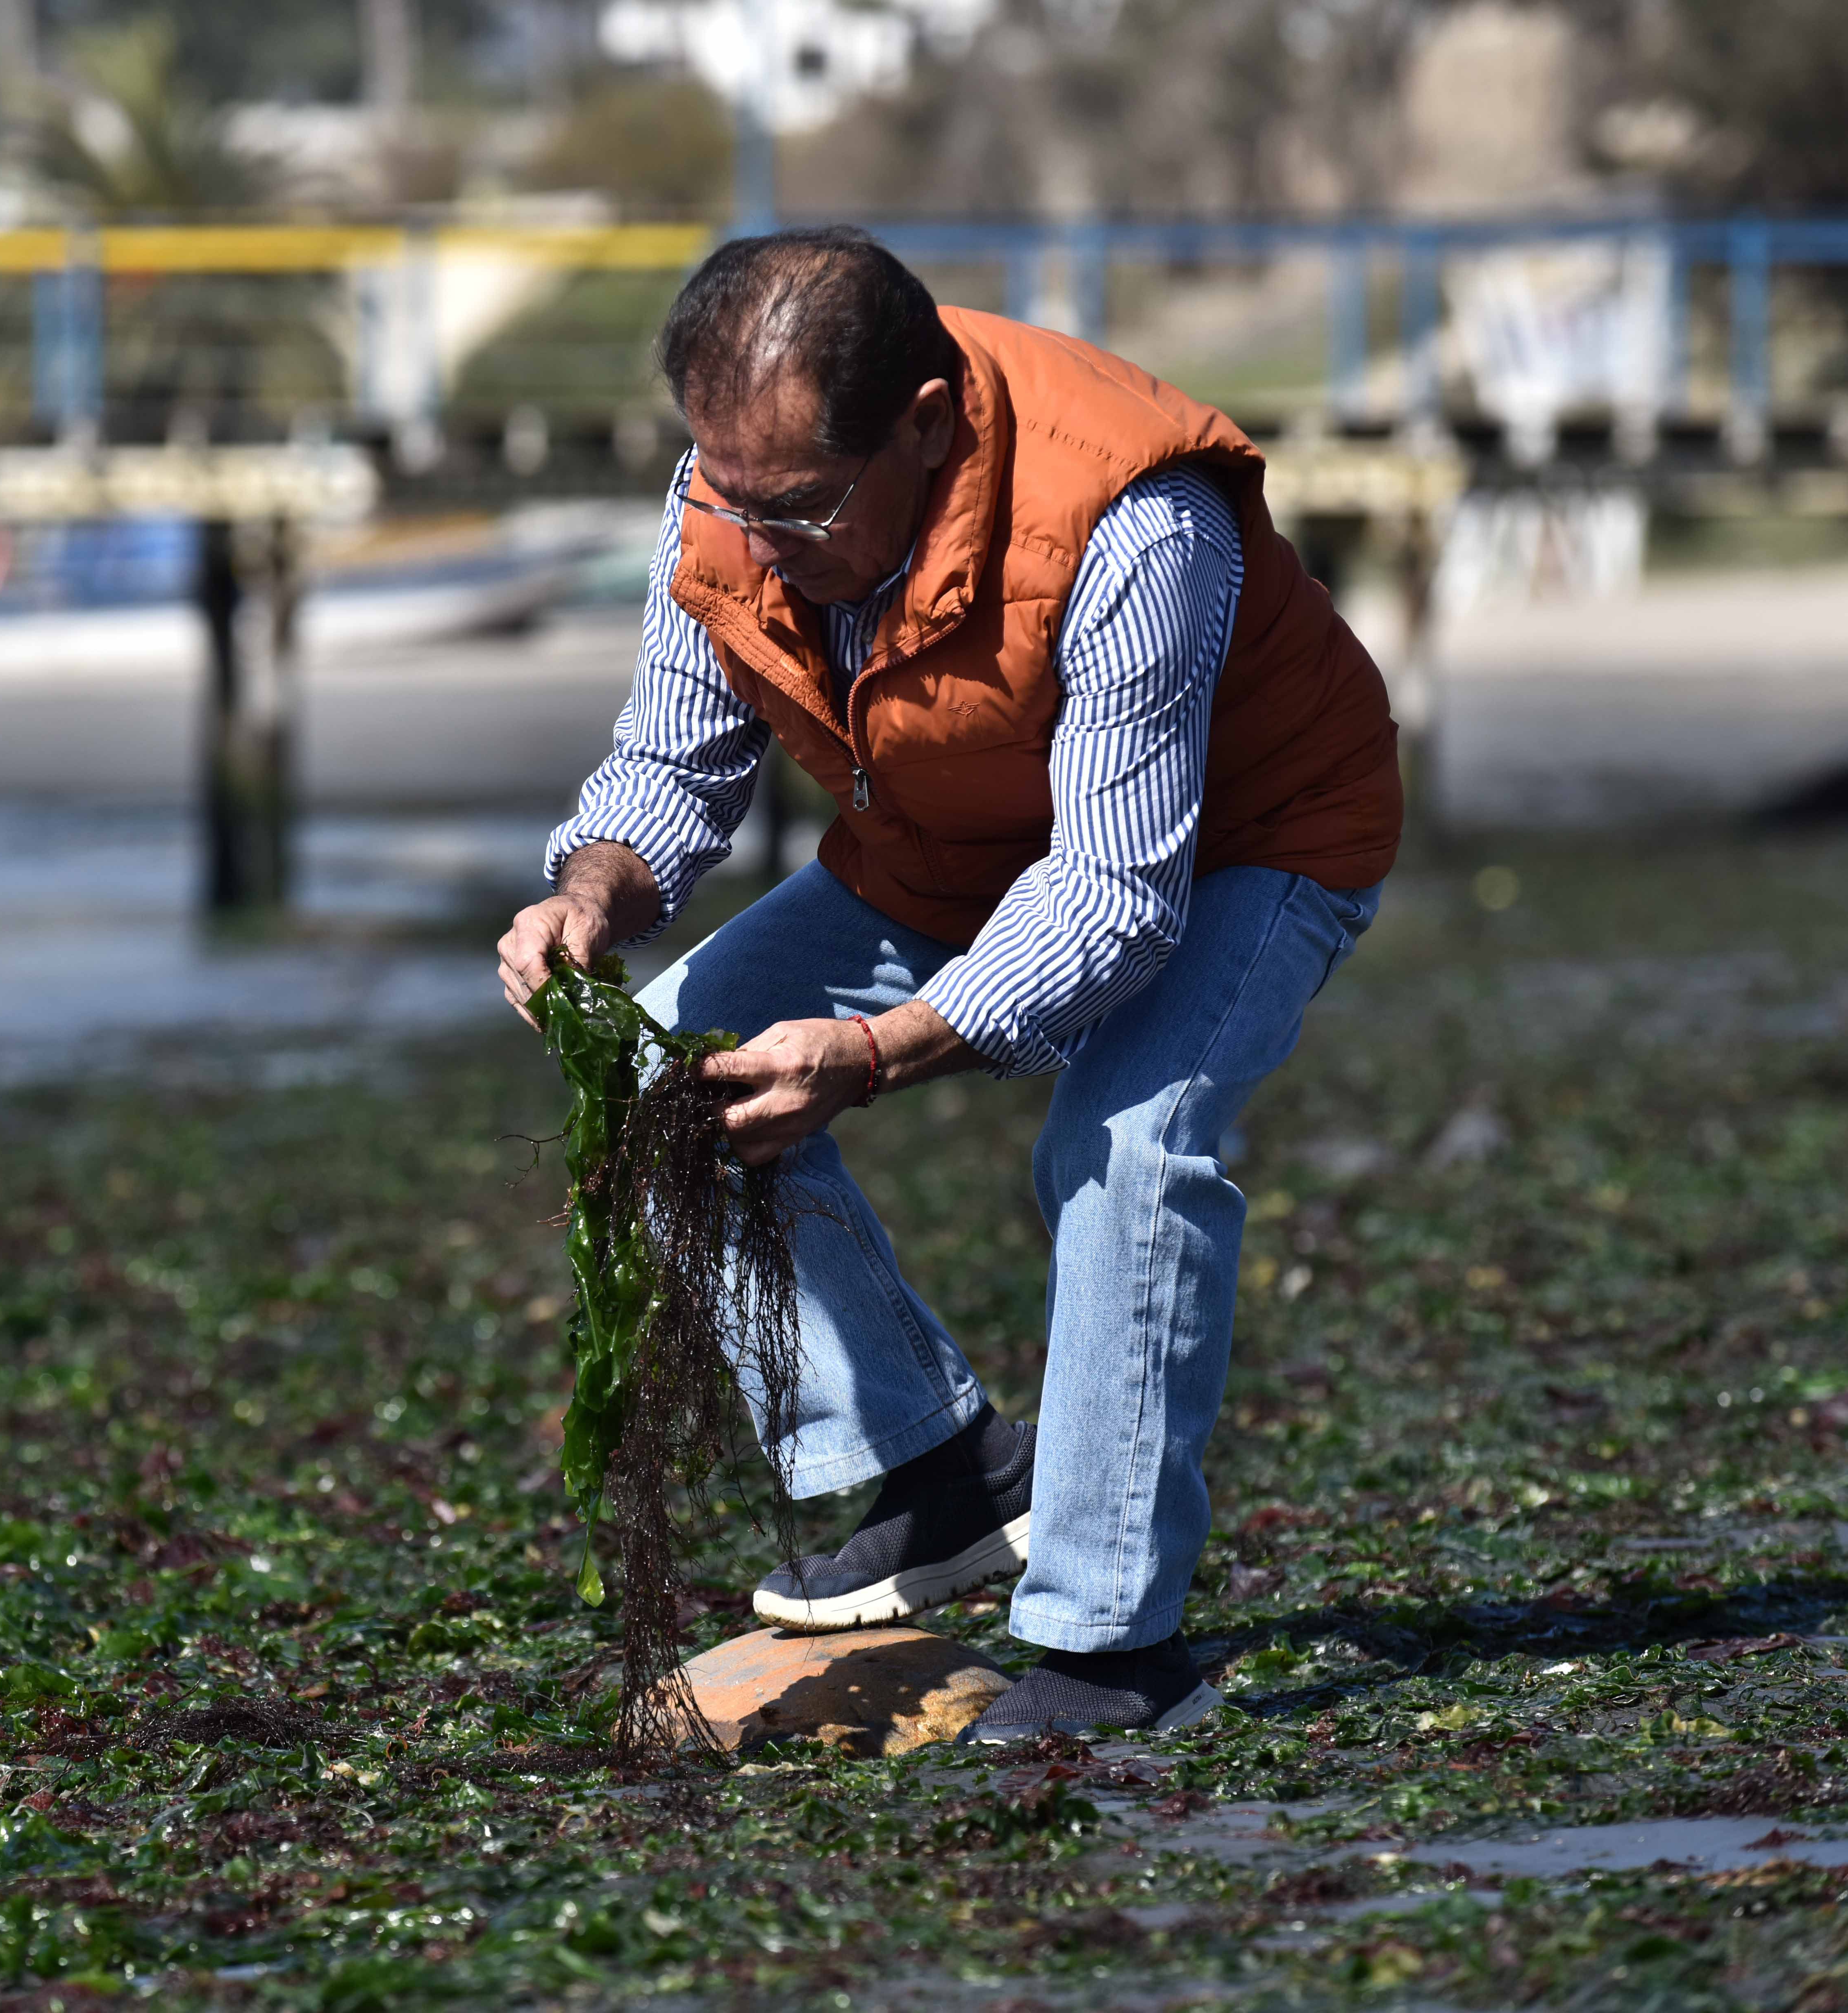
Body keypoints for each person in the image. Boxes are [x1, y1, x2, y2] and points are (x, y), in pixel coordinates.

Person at [497, 228, 1402, 1741]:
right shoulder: (738, 489)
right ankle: (938, 1469)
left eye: (797, 508)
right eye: (727, 494)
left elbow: (1115, 904)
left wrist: (874, 1050)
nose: (754, 535)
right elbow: (672, 765)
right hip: (957, 825)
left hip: (1254, 838)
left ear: (925, 423)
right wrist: (591, 890)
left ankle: (1114, 1646)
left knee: (1122, 1153)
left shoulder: (1131, 520)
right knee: (659, 1065)